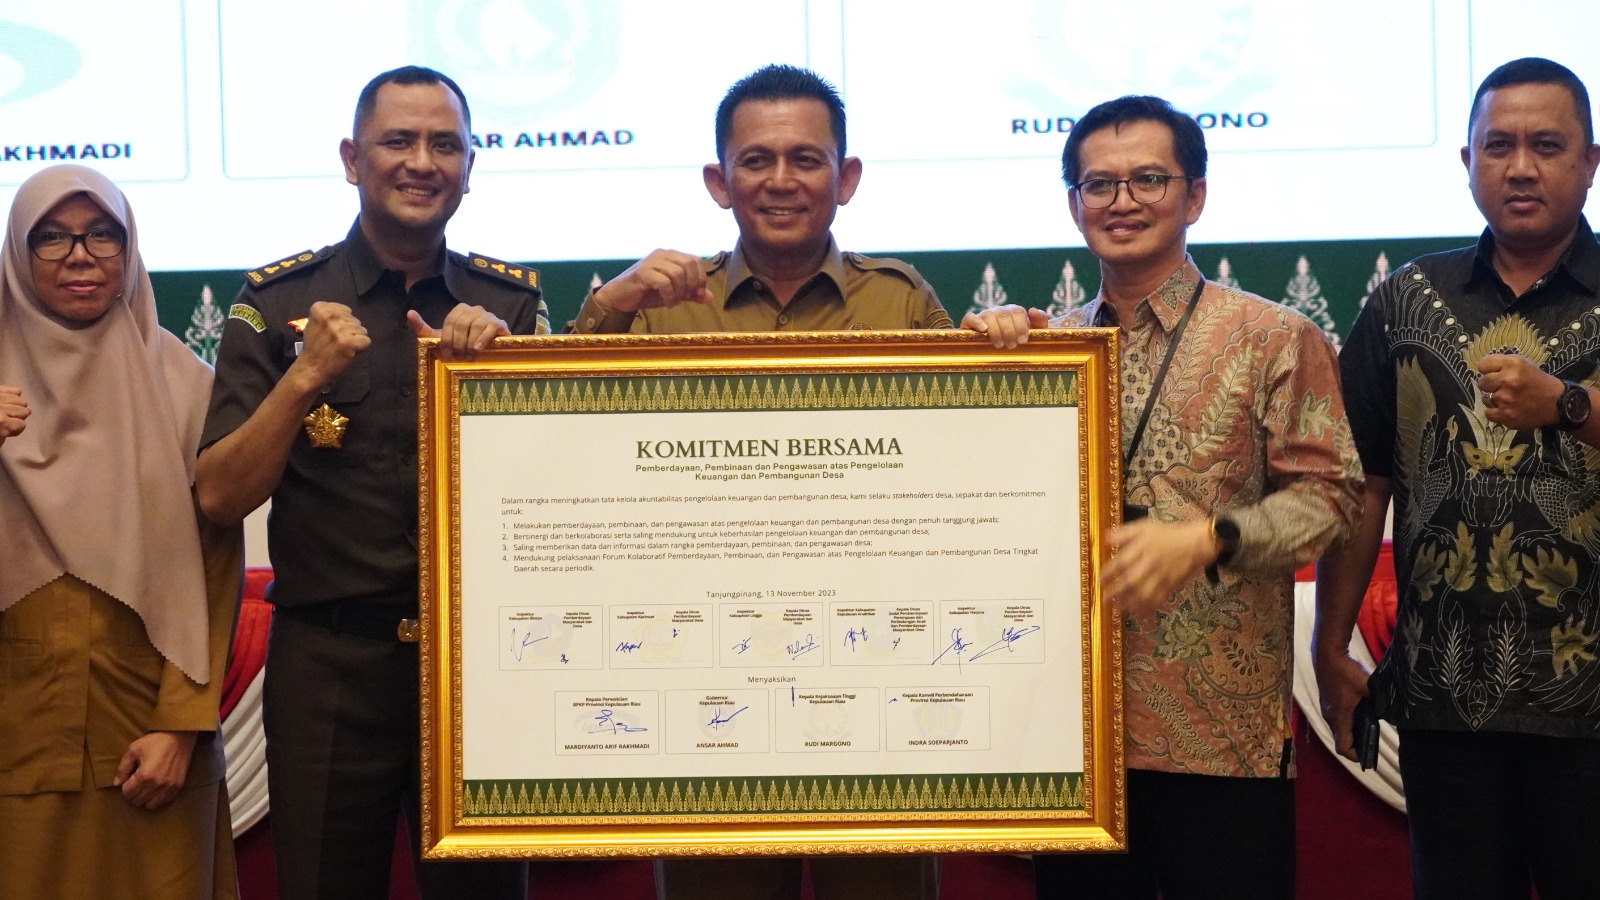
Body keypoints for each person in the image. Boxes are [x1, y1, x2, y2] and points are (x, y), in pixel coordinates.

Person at [971, 95, 1362, 899]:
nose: (1123, 201)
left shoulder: (1272, 337)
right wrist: (984, 358)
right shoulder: (1049, 348)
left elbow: (1332, 503)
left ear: (1196, 196)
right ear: (1074, 204)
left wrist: (1210, 538)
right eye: (1099, 184)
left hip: (1220, 741)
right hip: (1076, 741)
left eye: (1149, 179)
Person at [571, 63, 944, 900]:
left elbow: (969, 462)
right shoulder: (659, 304)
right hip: (705, 682)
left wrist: (1007, 345)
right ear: (719, 181)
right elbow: (558, 447)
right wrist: (609, 308)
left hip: (870, 679)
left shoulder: (902, 302)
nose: (781, 180)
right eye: (756, 160)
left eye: (806, 159)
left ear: (846, 178)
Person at [196, 66, 548, 900]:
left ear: (470, 166)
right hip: (330, 667)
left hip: (476, 667)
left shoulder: (507, 305)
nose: (422, 162)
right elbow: (219, 496)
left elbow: (554, 497)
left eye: (445, 145)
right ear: (353, 160)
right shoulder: (276, 301)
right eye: (398, 141)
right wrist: (304, 377)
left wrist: (501, 383)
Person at [1316, 57, 1600, 900]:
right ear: (1468, 161)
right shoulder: (1406, 299)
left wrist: (1568, 406)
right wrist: (1330, 644)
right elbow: (1362, 485)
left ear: (1590, 162)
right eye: (1498, 146)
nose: (1521, 167)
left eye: (1547, 145)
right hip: (1446, 699)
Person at [0, 164, 243, 898]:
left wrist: (183, 726)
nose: (80, 256)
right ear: (17, 252)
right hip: (15, 724)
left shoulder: (183, 384)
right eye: (52, 237)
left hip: (145, 734)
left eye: (102, 234)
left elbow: (213, 567)